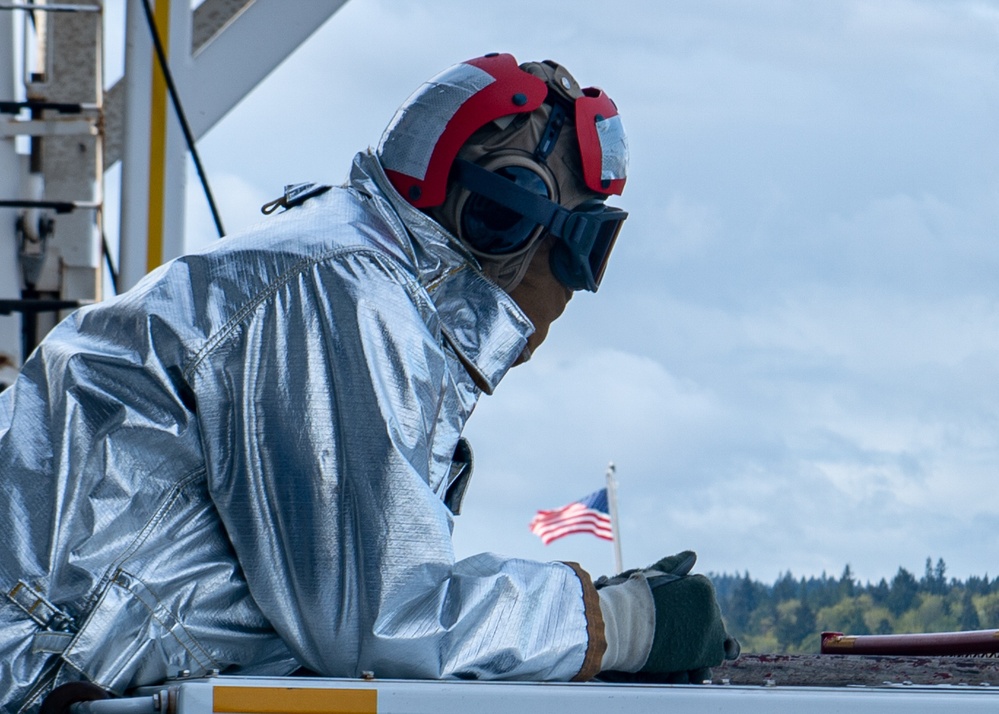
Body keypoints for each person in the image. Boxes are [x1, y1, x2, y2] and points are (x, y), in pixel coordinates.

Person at [0, 53, 736, 712]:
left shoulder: (336, 269)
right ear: (500, 218)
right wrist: (621, 625)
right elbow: (381, 619)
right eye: (581, 246)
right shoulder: (343, 294)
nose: (578, 289)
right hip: (31, 685)